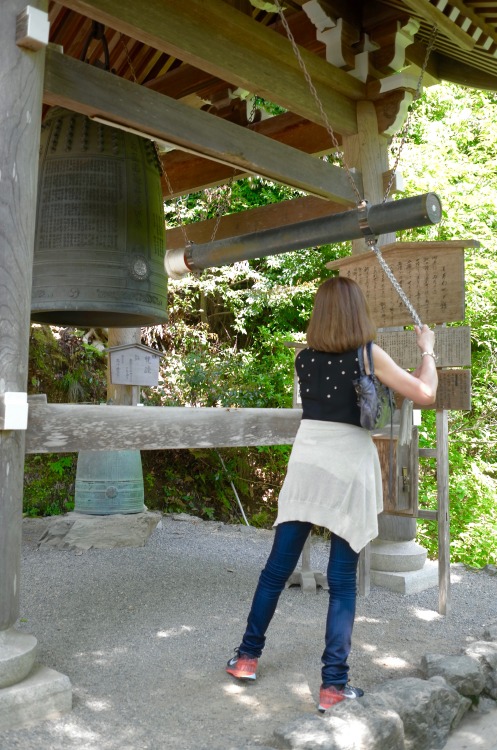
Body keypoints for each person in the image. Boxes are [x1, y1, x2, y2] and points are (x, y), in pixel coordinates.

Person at [225, 275, 438, 712]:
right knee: (342, 583)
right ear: (359, 312)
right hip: (348, 469)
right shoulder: (368, 355)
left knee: (274, 572)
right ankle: (332, 686)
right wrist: (428, 350)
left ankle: (246, 657)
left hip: (307, 464)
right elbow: (425, 393)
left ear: (319, 315)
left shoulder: (305, 359)